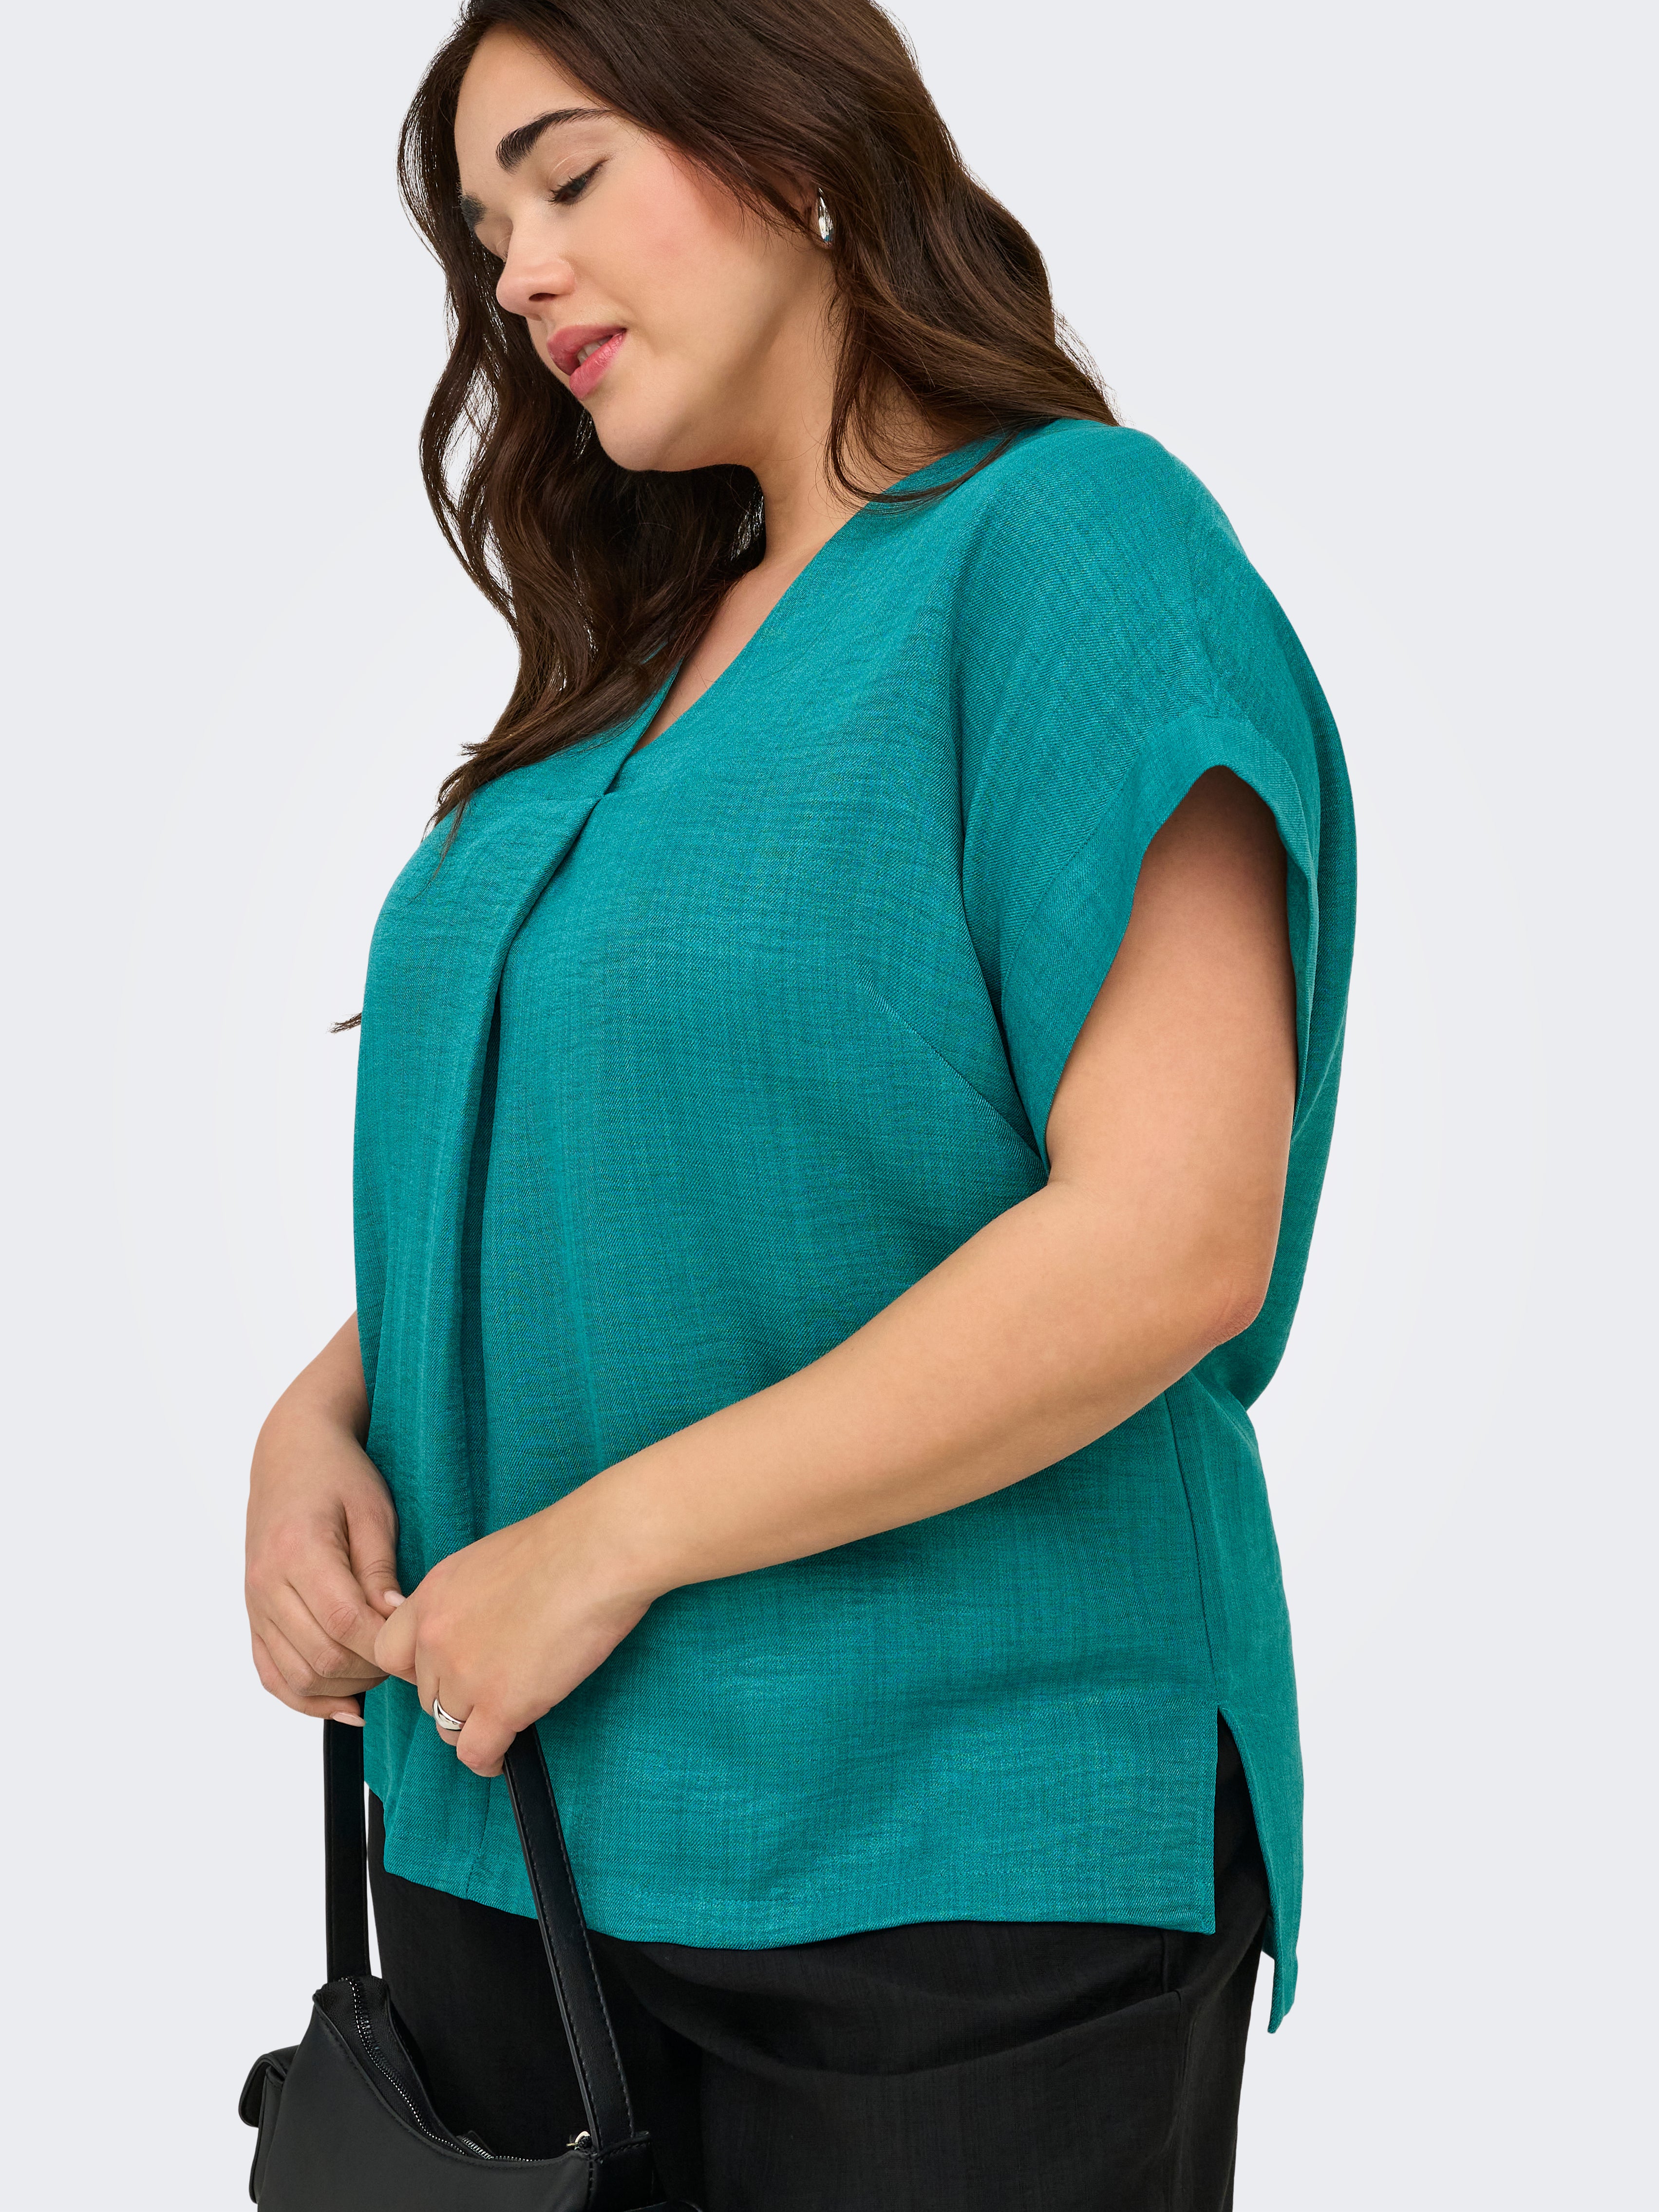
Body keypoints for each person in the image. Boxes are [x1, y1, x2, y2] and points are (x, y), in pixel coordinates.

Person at [244, 2, 1356, 2205]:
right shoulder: (636, 658)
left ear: (795, 144)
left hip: (957, 1836)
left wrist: (607, 1541)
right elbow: (627, 1166)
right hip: (512, 1824)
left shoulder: (1071, 545)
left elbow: (1169, 1234)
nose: (521, 274)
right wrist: (321, 1419)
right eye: (484, 234)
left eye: (568, 178)